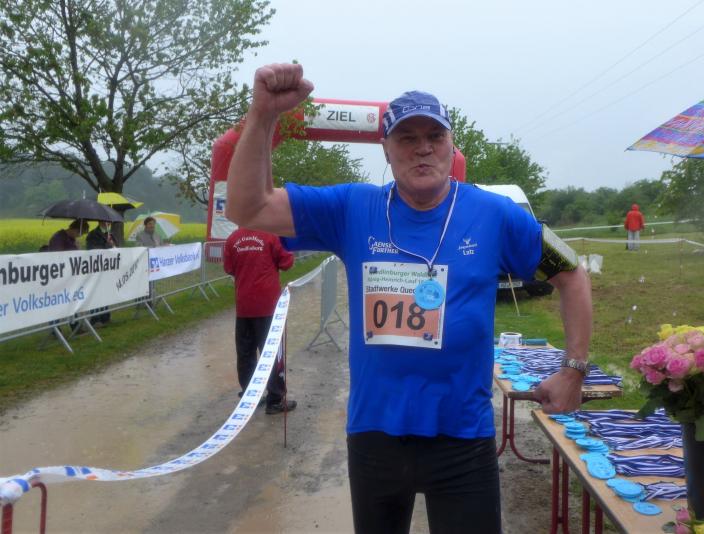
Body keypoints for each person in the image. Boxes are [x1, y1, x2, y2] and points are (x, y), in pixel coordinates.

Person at [225, 63, 592, 534]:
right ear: (386, 147)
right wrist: (263, 115)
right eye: (407, 137)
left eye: (435, 136)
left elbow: (572, 274)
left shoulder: (494, 214)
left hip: (463, 439)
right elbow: (247, 207)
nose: (422, 148)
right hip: (375, 436)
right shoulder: (352, 208)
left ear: (452, 145)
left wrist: (573, 370)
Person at [224, 227, 297, 414]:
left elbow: (229, 268)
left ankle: (249, 397)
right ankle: (275, 399)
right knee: (272, 353)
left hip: (244, 305)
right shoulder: (271, 235)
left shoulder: (233, 239)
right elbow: (287, 262)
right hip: (268, 306)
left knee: (245, 354)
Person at [86, 221, 117, 326]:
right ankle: (95, 319)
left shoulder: (110, 234)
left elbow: (116, 247)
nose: (108, 224)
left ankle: (105, 317)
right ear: (100, 222)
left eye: (109, 222)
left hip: (107, 267)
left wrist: (113, 244)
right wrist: (107, 244)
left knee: (105, 292)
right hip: (96, 267)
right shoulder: (93, 234)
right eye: (106, 222)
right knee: (96, 293)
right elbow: (92, 249)